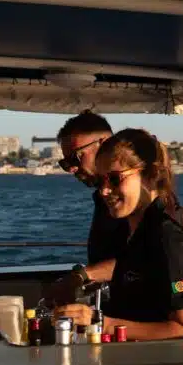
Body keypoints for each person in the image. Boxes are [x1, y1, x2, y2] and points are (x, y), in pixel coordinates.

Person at [54, 128, 183, 340]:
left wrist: (99, 322)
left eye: (114, 179)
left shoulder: (169, 241)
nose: (104, 191)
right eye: (101, 181)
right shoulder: (135, 235)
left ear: (149, 175)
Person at [56, 110, 128, 268]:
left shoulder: (140, 196)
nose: (72, 169)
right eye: (65, 163)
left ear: (105, 143)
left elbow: (146, 259)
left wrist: (87, 274)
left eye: (76, 157)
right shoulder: (103, 198)